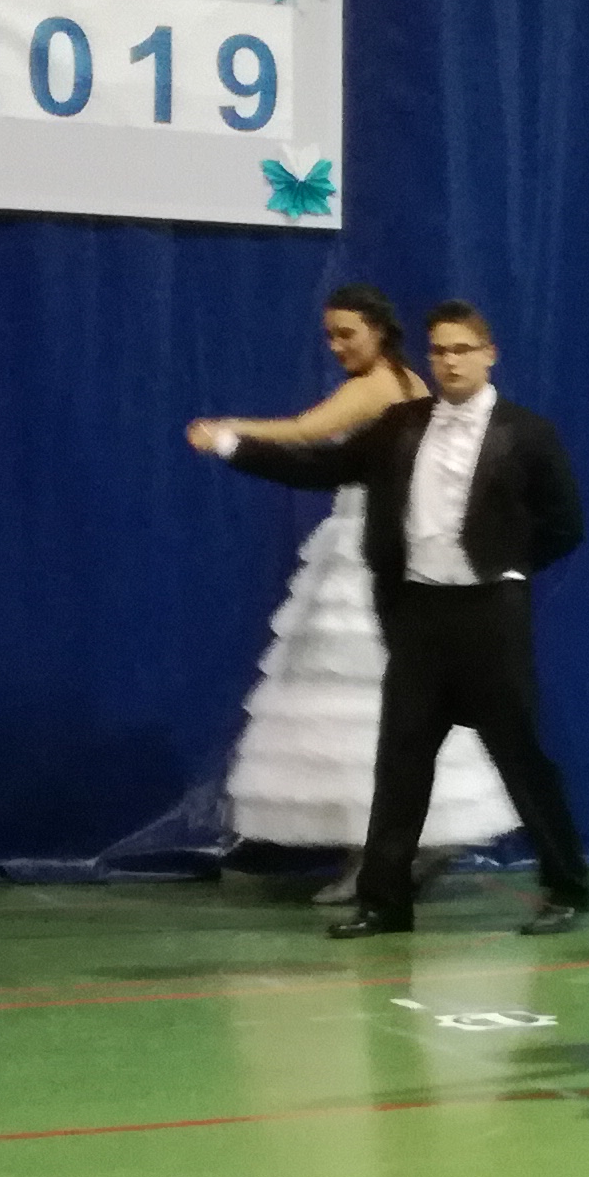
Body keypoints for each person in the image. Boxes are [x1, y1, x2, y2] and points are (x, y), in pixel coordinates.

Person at [227, 303, 589, 938]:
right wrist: (235, 445)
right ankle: (385, 902)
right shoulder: (401, 425)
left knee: (520, 756)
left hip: (489, 617)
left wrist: (504, 565)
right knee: (401, 761)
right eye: (439, 350)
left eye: (461, 349)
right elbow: (322, 468)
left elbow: (565, 524)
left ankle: (566, 886)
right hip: (419, 615)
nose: (449, 361)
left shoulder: (529, 433)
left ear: (489, 354)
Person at [184, 287, 519, 897]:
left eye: (347, 334)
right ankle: (392, 847)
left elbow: (306, 431)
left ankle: (377, 857)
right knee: (365, 705)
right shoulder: (406, 381)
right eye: (330, 336)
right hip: (377, 541)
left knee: (357, 703)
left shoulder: (380, 385)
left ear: (378, 332)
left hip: (371, 547)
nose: (337, 347)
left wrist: (227, 432)